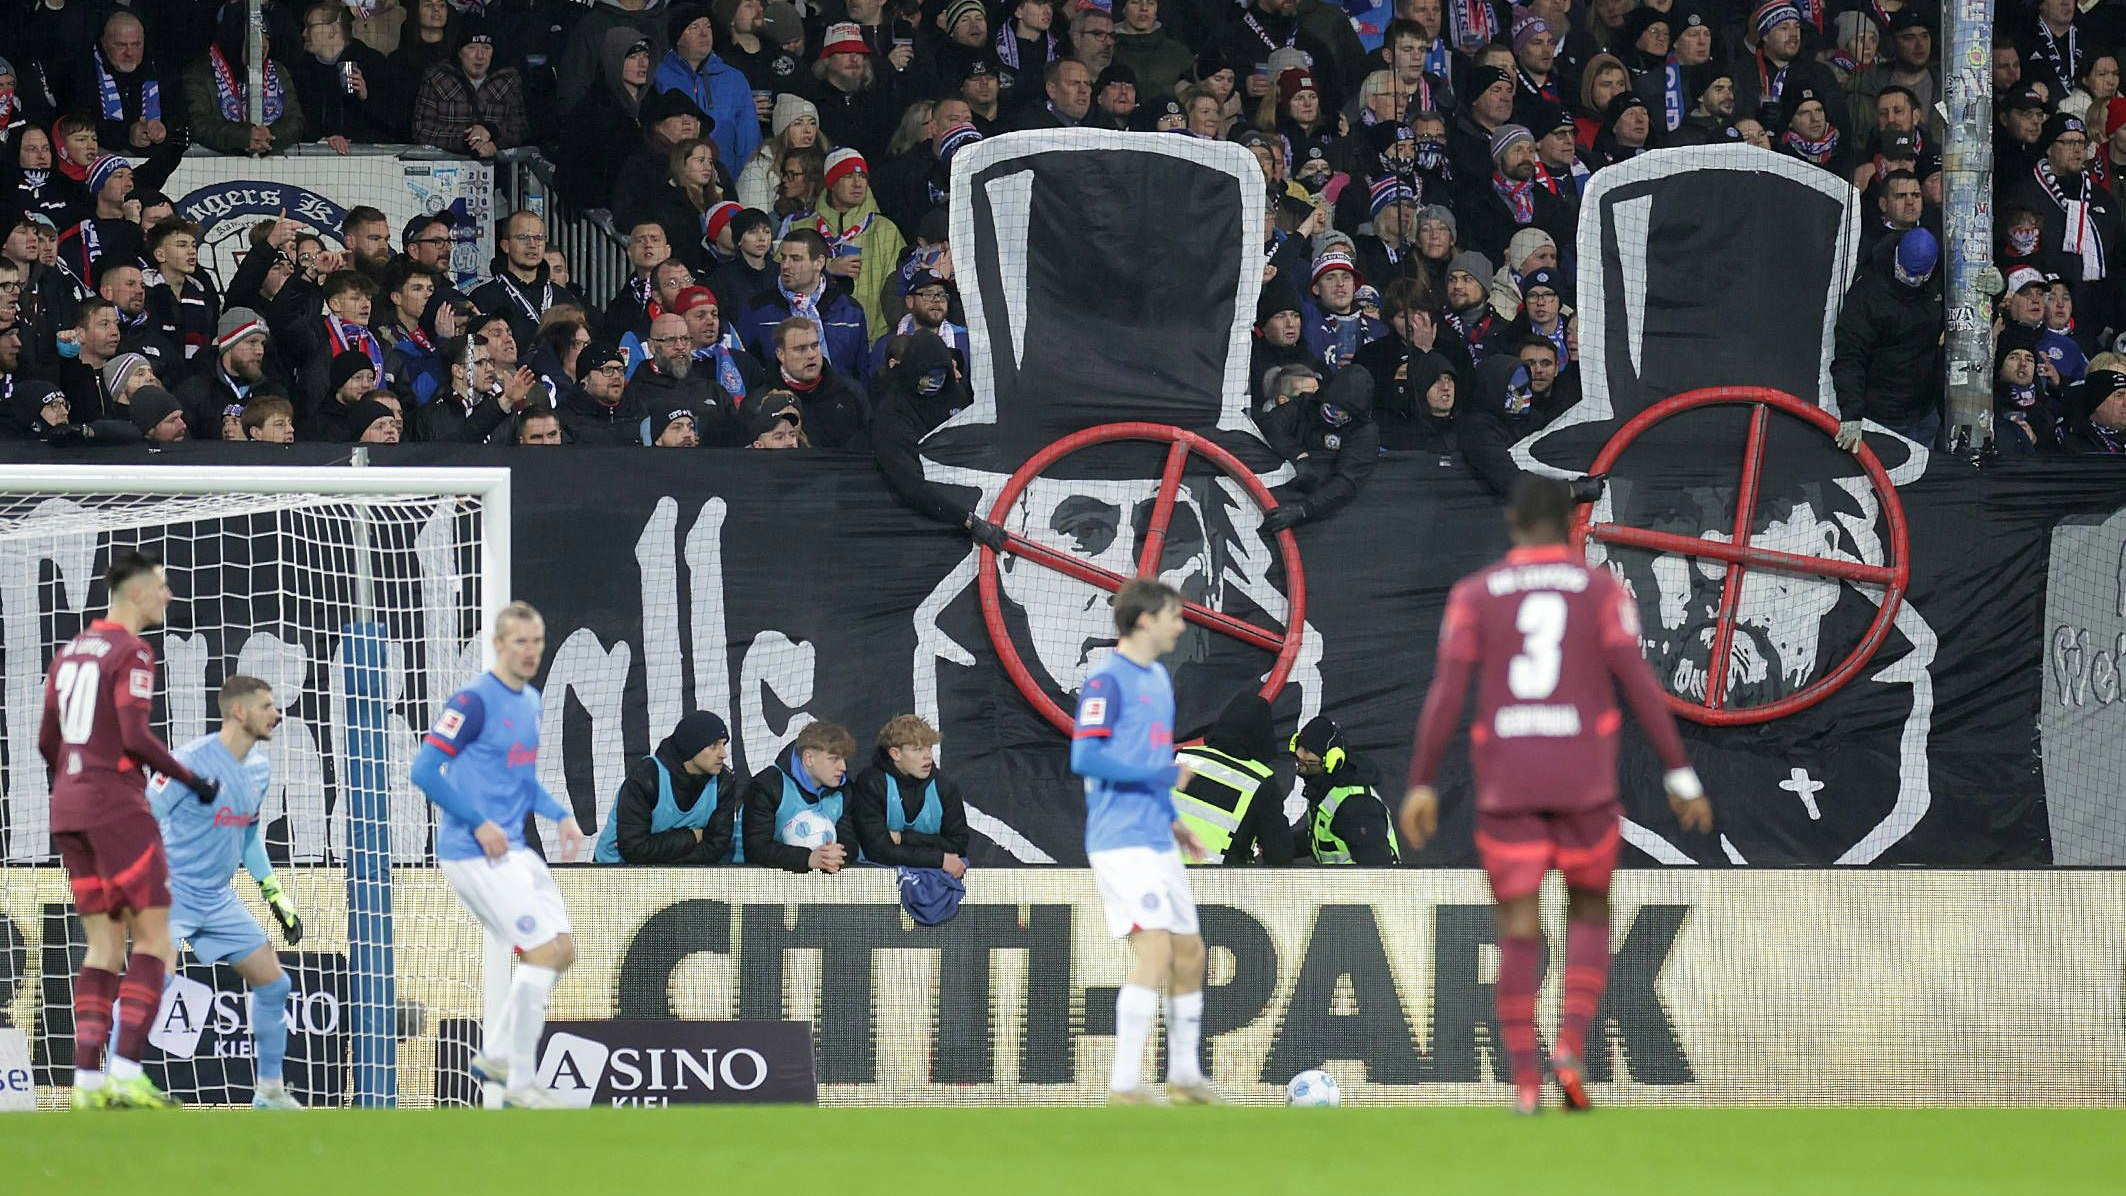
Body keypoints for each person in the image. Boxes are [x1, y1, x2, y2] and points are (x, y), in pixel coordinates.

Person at [1400, 476, 1711, 1115]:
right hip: (1583, 781)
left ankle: (1523, 1084)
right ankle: (1570, 1048)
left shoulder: (1474, 593)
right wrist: (1679, 773)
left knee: (1517, 930)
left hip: (1509, 780)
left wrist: (1422, 782)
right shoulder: (1599, 589)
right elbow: (1640, 684)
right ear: (1571, 523)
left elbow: (1445, 694)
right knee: (1590, 910)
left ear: (1513, 521)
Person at [42, 550, 220, 1111]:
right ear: (137, 591)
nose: (168, 596)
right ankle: (125, 1069)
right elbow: (135, 735)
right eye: (163, 587)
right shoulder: (133, 651)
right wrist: (193, 779)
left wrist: (76, 783)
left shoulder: (68, 653)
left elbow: (48, 739)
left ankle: (86, 1085)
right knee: (155, 942)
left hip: (67, 809)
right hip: (116, 808)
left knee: (101, 946)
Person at [410, 601, 585, 1109]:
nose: (531, 652)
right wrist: (478, 821)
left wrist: (560, 814)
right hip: (471, 850)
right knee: (542, 952)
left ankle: (499, 1056)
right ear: (498, 646)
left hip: (514, 849)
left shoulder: (530, 701)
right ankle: (517, 1078)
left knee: (563, 950)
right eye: (520, 642)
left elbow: (522, 778)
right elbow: (422, 771)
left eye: (537, 641)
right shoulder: (473, 701)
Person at [1071, 578, 1221, 1105]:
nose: (1182, 625)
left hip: (1155, 836)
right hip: (1120, 841)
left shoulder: (1158, 679)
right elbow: (1085, 758)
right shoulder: (1106, 680)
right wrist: (1160, 780)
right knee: (1154, 948)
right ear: (1143, 620)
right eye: (1174, 615)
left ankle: (1183, 1077)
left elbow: (1152, 762)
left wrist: (1172, 817)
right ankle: (1124, 1085)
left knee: (1190, 951)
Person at [146, 676, 304, 1110]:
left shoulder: (259, 769)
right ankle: (113, 1083)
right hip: (171, 891)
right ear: (240, 711)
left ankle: (270, 1093)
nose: (278, 714)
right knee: (151, 984)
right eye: (268, 706)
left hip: (217, 898)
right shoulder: (187, 763)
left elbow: (249, 834)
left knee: (275, 984)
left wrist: (273, 893)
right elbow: (143, 819)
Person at [1832, 227, 1945, 449]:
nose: (1912, 280)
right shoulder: (1868, 293)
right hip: (1880, 417)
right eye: (1906, 272)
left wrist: (1997, 287)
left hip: (1925, 412)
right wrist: (1851, 413)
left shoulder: (1939, 279)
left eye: (1919, 276)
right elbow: (1850, 356)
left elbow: (1970, 304)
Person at [595, 710, 744, 864]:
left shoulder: (723, 782)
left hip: (684, 871)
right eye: (714, 746)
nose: (723, 754)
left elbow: (715, 848)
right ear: (692, 746)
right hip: (614, 869)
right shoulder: (647, 778)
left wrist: (662, 856)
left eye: (723, 744)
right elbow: (634, 849)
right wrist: (691, 837)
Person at [1173, 692, 1293, 865]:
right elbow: (1280, 854)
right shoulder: (1261, 782)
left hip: (1163, 876)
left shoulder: (1183, 758)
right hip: (1218, 885)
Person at [849, 715, 972, 873]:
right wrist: (938, 858)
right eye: (918, 749)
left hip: (932, 880)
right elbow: (877, 850)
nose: (927, 756)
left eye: (929, 747)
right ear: (895, 754)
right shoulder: (871, 783)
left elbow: (957, 846)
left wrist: (902, 838)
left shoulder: (945, 786)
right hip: (876, 878)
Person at [742, 719, 860, 873]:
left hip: (825, 879)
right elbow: (756, 849)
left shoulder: (844, 790)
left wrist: (835, 857)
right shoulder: (767, 785)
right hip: (759, 880)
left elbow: (849, 842)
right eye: (834, 759)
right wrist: (808, 859)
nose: (843, 767)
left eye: (844, 759)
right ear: (808, 758)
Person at [1289, 715, 1398, 865]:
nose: (1299, 754)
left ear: (1332, 757)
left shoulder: (1357, 807)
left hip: (1360, 888)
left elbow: (1378, 872)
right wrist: (1280, 843)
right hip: (1339, 887)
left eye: (1307, 751)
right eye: (1299, 747)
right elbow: (1320, 838)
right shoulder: (1325, 790)